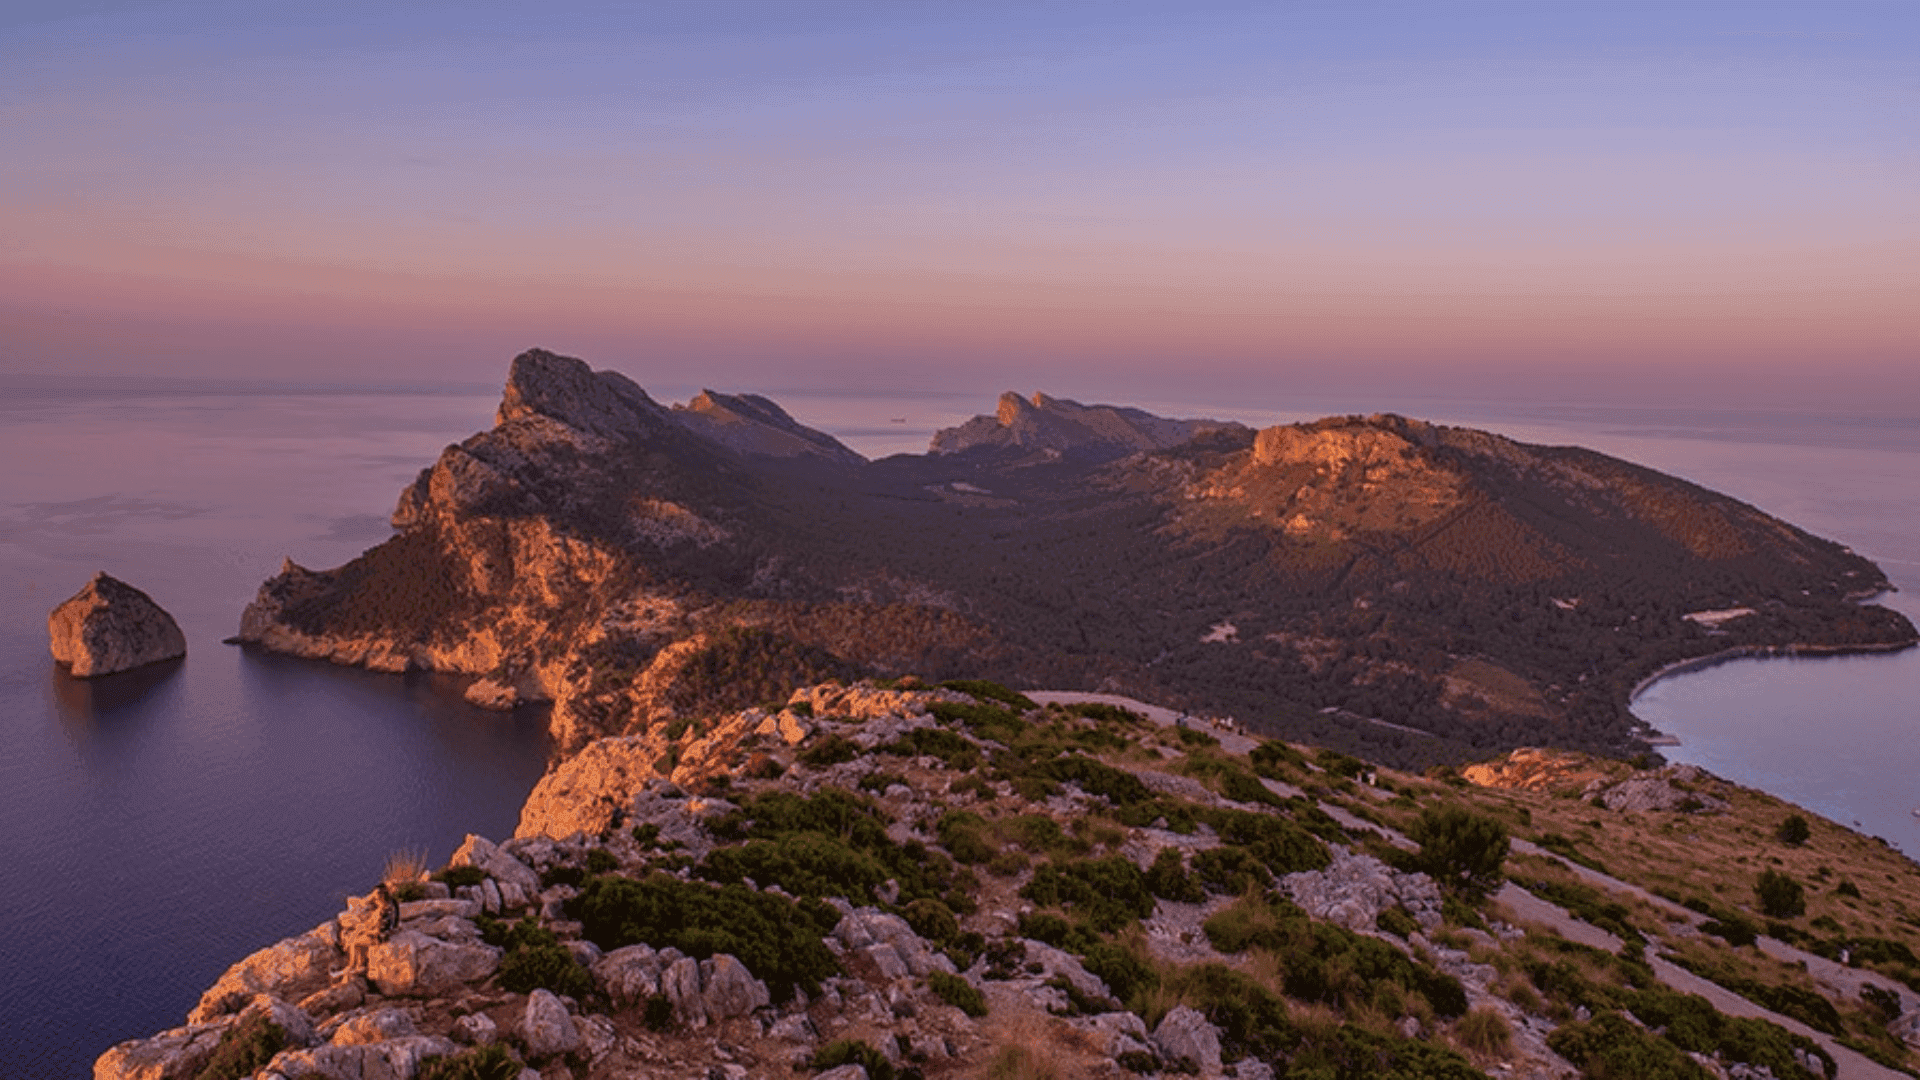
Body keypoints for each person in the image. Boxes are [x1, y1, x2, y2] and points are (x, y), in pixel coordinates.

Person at [334, 883, 399, 981]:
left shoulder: (383, 911)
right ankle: (358, 966)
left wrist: (366, 931)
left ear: (380, 898)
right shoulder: (392, 903)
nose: (375, 900)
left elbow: (378, 931)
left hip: (381, 938)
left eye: (376, 898)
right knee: (357, 935)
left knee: (354, 943)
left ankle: (353, 967)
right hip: (390, 930)